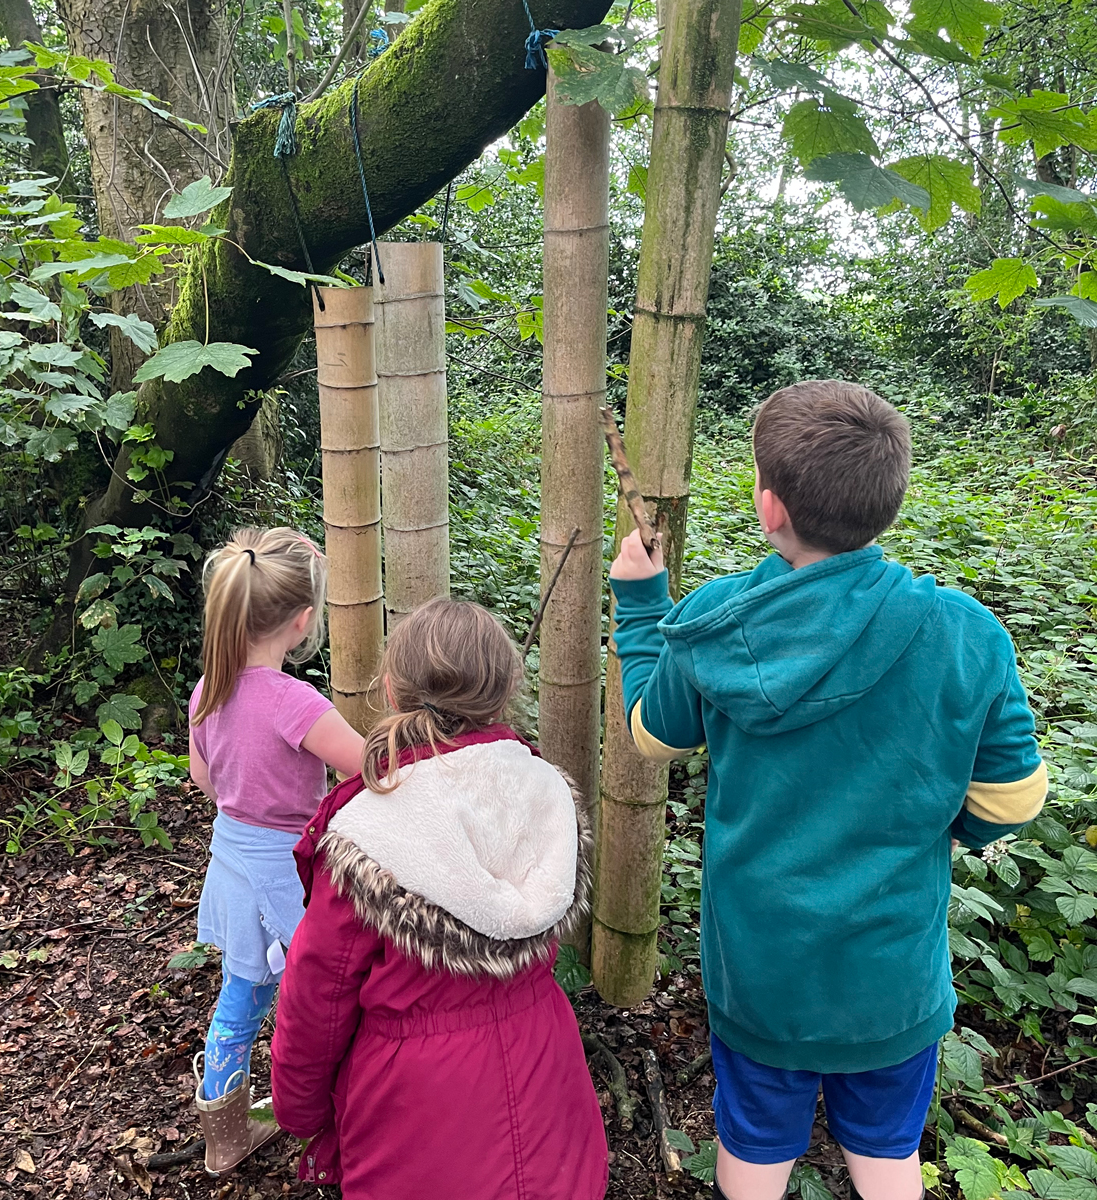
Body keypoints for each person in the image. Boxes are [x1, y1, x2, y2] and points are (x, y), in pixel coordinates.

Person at [609, 381, 1046, 1200]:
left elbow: (651, 735)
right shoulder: (964, 631)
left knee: (754, 1139)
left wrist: (639, 606)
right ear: (892, 498)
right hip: (891, 973)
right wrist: (940, 833)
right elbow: (1014, 801)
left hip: (760, 967)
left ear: (769, 506)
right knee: (887, 1151)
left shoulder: (717, 619)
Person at [269, 597, 608, 1200]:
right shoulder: (546, 793)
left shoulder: (368, 830)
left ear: (393, 691)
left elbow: (317, 997)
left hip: (415, 1112)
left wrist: (299, 1110)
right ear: (503, 695)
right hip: (546, 1078)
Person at [187, 527, 364, 1178]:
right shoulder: (296, 703)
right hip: (291, 871)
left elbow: (204, 777)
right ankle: (345, 1113)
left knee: (242, 994)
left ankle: (223, 1133)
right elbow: (368, 769)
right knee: (322, 993)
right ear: (302, 622)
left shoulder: (207, 690)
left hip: (233, 858)